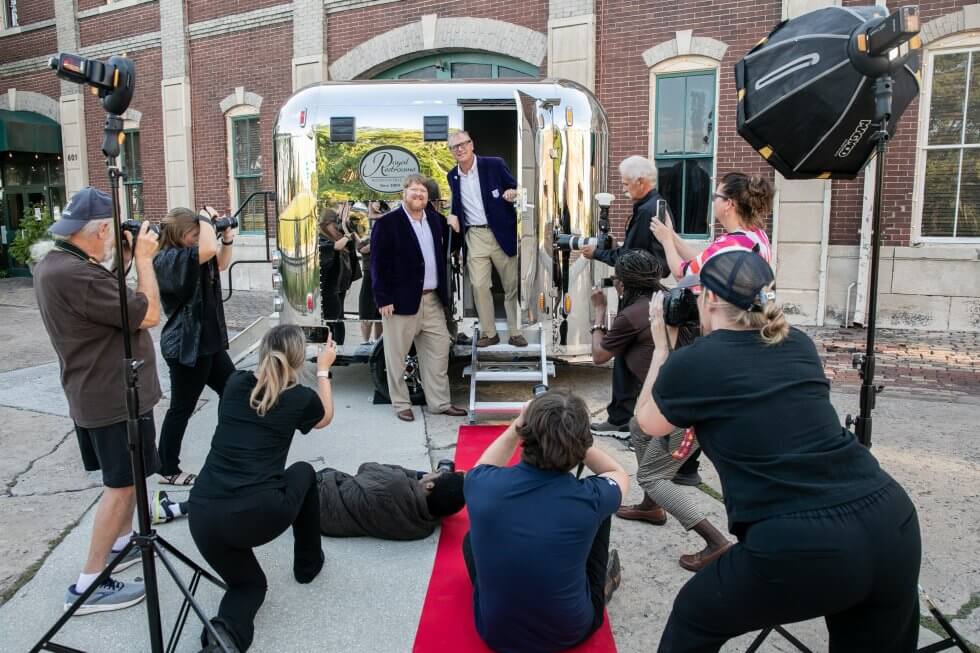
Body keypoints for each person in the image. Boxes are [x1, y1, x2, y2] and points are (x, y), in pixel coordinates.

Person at [634, 250, 921, 652]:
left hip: (804, 540)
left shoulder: (696, 362)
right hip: (893, 522)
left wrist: (662, 351)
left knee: (694, 616)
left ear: (711, 300)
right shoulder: (798, 343)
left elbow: (647, 421)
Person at [34, 187, 161, 614]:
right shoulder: (77, 275)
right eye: (112, 232)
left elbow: (108, 301)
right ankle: (87, 585)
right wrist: (143, 260)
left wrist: (122, 261)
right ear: (103, 227)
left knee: (130, 478)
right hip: (111, 398)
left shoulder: (60, 264)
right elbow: (147, 315)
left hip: (98, 391)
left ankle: (120, 545)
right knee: (121, 486)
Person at [188, 325, 335, 653]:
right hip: (258, 513)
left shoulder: (234, 383)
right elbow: (325, 417)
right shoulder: (299, 398)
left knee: (248, 585)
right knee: (305, 471)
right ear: (299, 359)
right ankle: (307, 566)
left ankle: (221, 641)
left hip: (203, 515)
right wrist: (323, 369)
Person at [589, 250, 729, 571]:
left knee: (652, 476)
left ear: (622, 285)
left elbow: (598, 355)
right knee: (639, 426)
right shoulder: (669, 299)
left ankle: (715, 541)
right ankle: (652, 507)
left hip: (687, 408)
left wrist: (599, 313)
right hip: (679, 396)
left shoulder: (629, 315)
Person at [463, 391, 629, 653]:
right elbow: (617, 473)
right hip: (570, 632)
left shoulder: (480, 485)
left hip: (495, 633)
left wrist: (520, 422)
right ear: (582, 444)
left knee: (470, 539)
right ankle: (601, 587)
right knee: (602, 513)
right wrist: (573, 439)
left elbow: (482, 466)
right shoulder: (590, 498)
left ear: (524, 434)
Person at [369, 174, 467, 422]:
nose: (419, 195)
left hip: (432, 300)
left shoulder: (434, 220)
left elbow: (452, 246)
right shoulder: (387, 223)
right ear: (404, 192)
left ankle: (440, 403)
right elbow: (377, 265)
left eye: (423, 192)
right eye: (414, 191)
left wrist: (456, 226)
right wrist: (383, 298)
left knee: (439, 349)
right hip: (400, 302)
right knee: (396, 355)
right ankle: (401, 403)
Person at [584, 155, 670, 435]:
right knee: (630, 353)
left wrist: (596, 252)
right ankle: (623, 415)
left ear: (641, 182)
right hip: (647, 287)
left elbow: (628, 258)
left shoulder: (647, 210)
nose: (624, 191)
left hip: (639, 291)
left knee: (620, 350)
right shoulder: (654, 205)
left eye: (626, 185)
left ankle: (621, 418)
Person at [153, 206, 236, 486]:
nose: (197, 238)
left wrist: (227, 237)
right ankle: (167, 468)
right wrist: (207, 218)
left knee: (234, 389)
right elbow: (207, 251)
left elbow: (221, 262)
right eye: (193, 234)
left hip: (208, 343)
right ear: (178, 234)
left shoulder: (196, 253)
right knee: (181, 408)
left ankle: (229, 449)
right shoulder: (167, 259)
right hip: (186, 346)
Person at [445, 131, 527, 348]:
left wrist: (511, 193)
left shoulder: (494, 164)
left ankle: (515, 331)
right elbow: (457, 206)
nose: (460, 149)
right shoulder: (452, 175)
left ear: (472, 144)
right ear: (451, 152)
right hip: (475, 235)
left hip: (502, 232)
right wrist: (454, 222)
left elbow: (515, 187)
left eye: (463, 144)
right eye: (455, 147)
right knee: (479, 284)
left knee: (511, 285)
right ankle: (490, 333)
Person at [650, 171, 773, 280]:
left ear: (728, 204)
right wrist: (671, 234)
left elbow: (682, 275)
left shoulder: (730, 244)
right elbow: (704, 263)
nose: (712, 201)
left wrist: (666, 240)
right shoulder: (757, 234)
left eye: (715, 196)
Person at [316, 463, 465, 540]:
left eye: (436, 473)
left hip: (320, 499)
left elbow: (366, 468)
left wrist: (418, 475)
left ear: (429, 485)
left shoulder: (395, 482)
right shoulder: (425, 526)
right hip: (334, 524)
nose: (433, 471)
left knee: (311, 471)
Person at [318, 206, 361, 345]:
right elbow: (335, 246)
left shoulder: (338, 235)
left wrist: (348, 228)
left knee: (338, 317)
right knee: (332, 319)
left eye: (337, 224)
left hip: (340, 284)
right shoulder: (321, 238)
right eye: (334, 224)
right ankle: (332, 348)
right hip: (328, 287)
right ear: (325, 224)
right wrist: (347, 235)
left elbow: (356, 244)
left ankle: (338, 348)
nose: (337, 227)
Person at [358, 201, 387, 343]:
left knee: (379, 313)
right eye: (372, 202)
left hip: (383, 275)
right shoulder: (363, 228)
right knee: (366, 312)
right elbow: (362, 248)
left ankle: (377, 341)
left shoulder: (387, 218)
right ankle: (365, 341)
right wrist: (376, 240)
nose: (376, 204)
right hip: (369, 275)